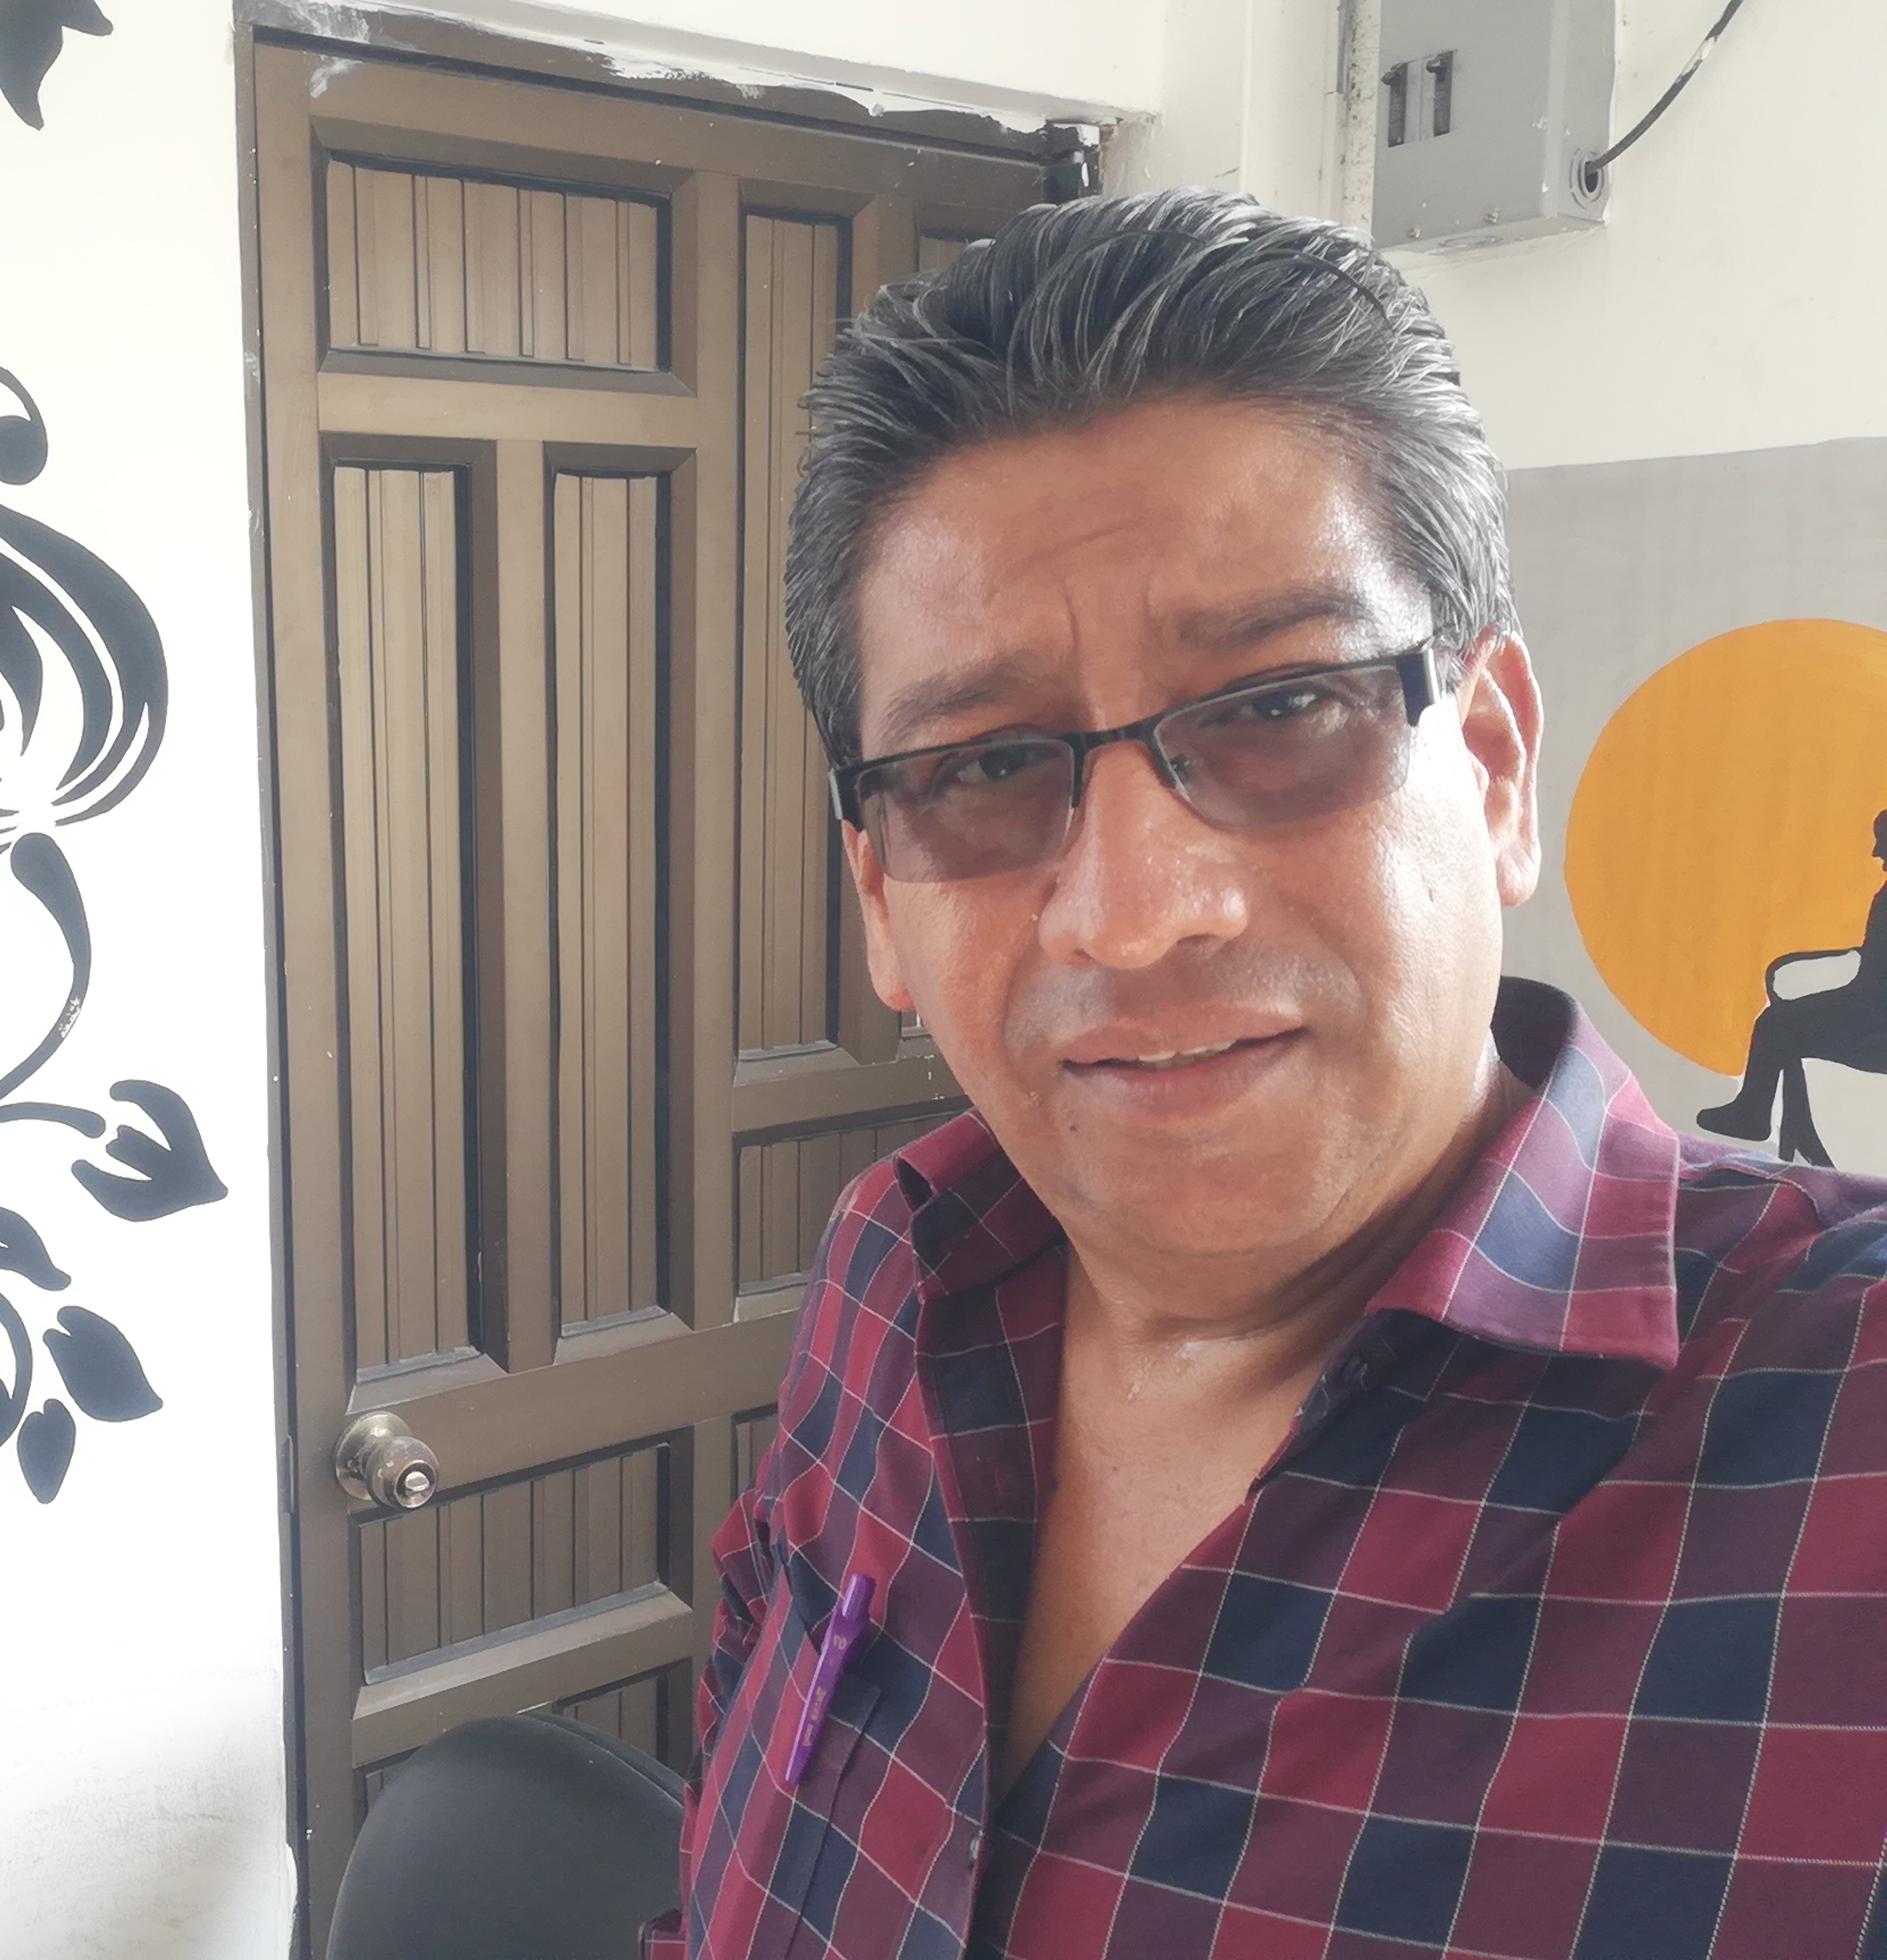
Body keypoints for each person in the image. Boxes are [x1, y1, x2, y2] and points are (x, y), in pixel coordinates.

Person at [647, 187, 1887, 1960]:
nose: (1139, 910)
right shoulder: (895, 1273)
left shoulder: (1841, 1433)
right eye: (986, 767)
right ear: (880, 899)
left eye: (1282, 706)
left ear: (1495, 765)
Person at [1698, 809, 1887, 1162]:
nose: (1876, 852)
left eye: (1883, 841)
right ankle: (1771, 1125)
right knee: (1784, 1023)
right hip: (1868, 1005)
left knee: (1778, 1025)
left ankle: (1753, 1117)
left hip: (1877, 1025)